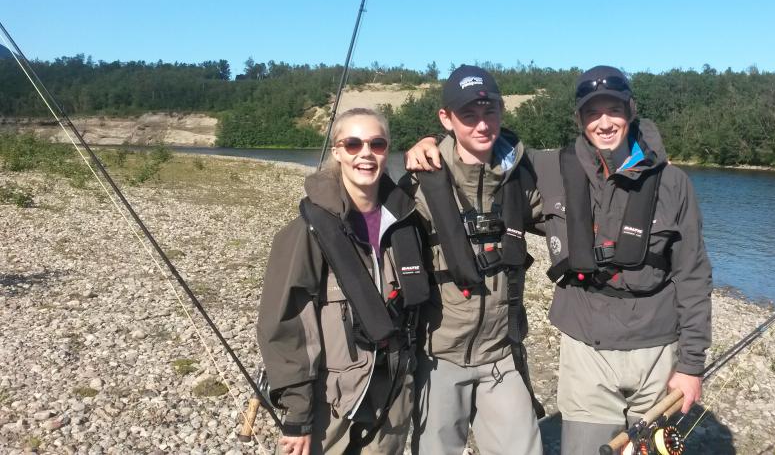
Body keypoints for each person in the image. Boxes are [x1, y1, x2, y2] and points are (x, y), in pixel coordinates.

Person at [406, 66, 712, 454]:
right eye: (592, 113)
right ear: (579, 119)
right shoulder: (550, 168)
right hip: (585, 348)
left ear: (631, 111)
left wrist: (691, 365)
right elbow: (483, 152)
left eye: (614, 110)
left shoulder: (673, 183)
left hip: (658, 347)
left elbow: (694, 276)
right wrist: (426, 143)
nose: (604, 123)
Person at [257, 107, 431, 455]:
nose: (365, 153)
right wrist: (299, 414)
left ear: (387, 150)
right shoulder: (306, 231)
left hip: (393, 396)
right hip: (330, 405)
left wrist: (432, 141)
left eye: (377, 144)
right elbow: (285, 323)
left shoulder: (408, 221)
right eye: (353, 144)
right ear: (337, 151)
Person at [400, 65, 544, 455]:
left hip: (502, 354)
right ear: (446, 119)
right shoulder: (420, 179)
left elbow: (575, 213)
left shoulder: (521, 176)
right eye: (469, 116)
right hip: (440, 355)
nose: (482, 125)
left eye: (490, 112)